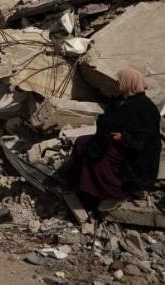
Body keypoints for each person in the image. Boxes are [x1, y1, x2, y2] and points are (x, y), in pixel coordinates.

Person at [59, 67, 161, 211]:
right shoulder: (122, 100)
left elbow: (144, 138)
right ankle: (77, 183)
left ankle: (116, 194)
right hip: (111, 139)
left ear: (129, 82)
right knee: (82, 142)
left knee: (103, 158)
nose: (117, 83)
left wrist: (123, 137)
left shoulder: (145, 107)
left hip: (136, 152)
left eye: (120, 81)